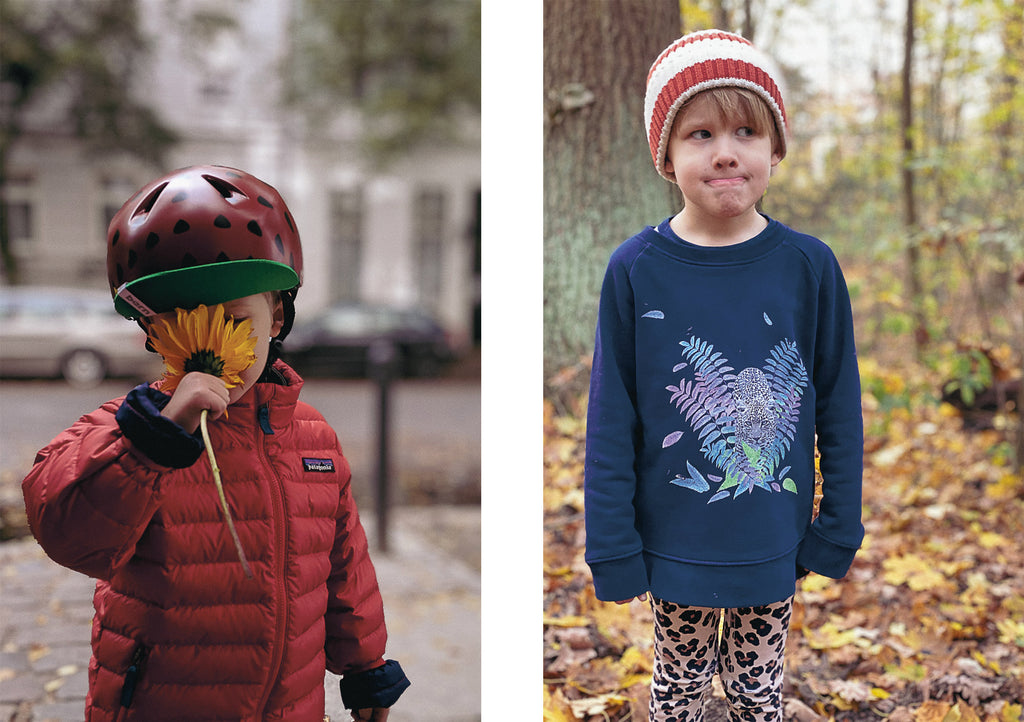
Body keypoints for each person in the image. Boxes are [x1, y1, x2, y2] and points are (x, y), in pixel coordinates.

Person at [22, 165, 409, 722]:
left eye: (232, 320)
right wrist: (150, 442)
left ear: (276, 317)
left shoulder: (313, 436)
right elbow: (67, 531)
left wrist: (366, 666)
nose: (210, 343)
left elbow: (344, 560)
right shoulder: (128, 432)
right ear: (156, 334)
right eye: (182, 323)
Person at [583, 30, 864, 721]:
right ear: (667, 157)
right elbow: (611, 418)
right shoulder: (636, 268)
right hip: (673, 545)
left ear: (775, 149)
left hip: (775, 541)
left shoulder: (808, 266)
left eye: (746, 130)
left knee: (756, 694)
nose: (726, 151)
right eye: (700, 134)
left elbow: (840, 406)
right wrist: (612, 546)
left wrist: (838, 528)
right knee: (677, 693)